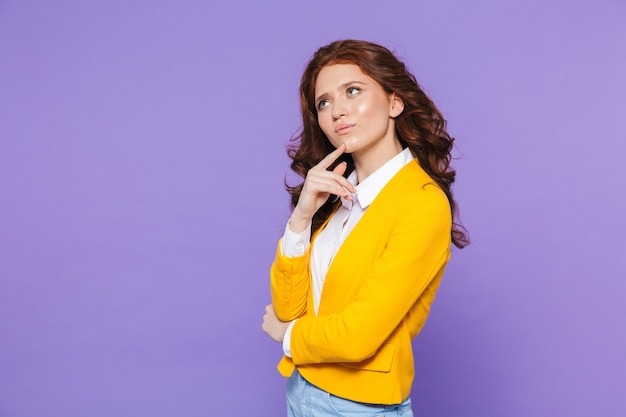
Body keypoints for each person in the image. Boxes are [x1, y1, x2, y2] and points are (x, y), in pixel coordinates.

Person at [262, 39, 469, 417]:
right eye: (323, 103)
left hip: (357, 406)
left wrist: (286, 335)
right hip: (303, 390)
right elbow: (288, 306)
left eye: (352, 91)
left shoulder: (421, 202)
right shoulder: (337, 194)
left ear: (394, 102)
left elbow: (358, 335)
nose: (337, 111)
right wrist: (301, 219)